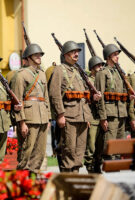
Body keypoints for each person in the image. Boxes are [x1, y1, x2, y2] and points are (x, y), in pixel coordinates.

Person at [49, 41, 94, 173]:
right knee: (69, 150)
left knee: (80, 152)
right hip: (68, 116)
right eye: (73, 52)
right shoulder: (59, 69)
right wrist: (60, 114)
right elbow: (54, 93)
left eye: (77, 52)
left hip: (82, 116)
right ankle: (67, 179)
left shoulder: (78, 71)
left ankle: (75, 176)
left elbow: (84, 93)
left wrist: (93, 98)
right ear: (66, 54)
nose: (76, 54)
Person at [12, 44, 51, 173]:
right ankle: (22, 181)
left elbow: (46, 98)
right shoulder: (20, 75)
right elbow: (17, 101)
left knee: (39, 153)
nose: (39, 57)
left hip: (43, 118)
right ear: (28, 57)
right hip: (29, 118)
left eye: (40, 55)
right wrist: (22, 122)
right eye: (36, 55)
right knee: (26, 152)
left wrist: (48, 118)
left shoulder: (42, 74)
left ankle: (32, 181)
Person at [95, 44, 128, 160]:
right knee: (109, 147)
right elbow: (100, 97)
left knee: (119, 147)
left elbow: (123, 93)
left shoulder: (119, 73)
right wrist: (103, 118)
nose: (117, 57)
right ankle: (109, 171)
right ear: (108, 56)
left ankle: (117, 173)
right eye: (114, 54)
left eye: (117, 54)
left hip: (121, 113)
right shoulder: (102, 73)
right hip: (110, 114)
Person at [84, 56, 105, 173]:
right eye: (98, 66)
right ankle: (90, 167)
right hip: (91, 116)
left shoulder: (102, 80)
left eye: (102, 65)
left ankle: (98, 166)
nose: (101, 68)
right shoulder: (87, 81)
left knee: (100, 145)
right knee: (91, 146)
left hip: (102, 117)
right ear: (92, 68)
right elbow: (85, 99)